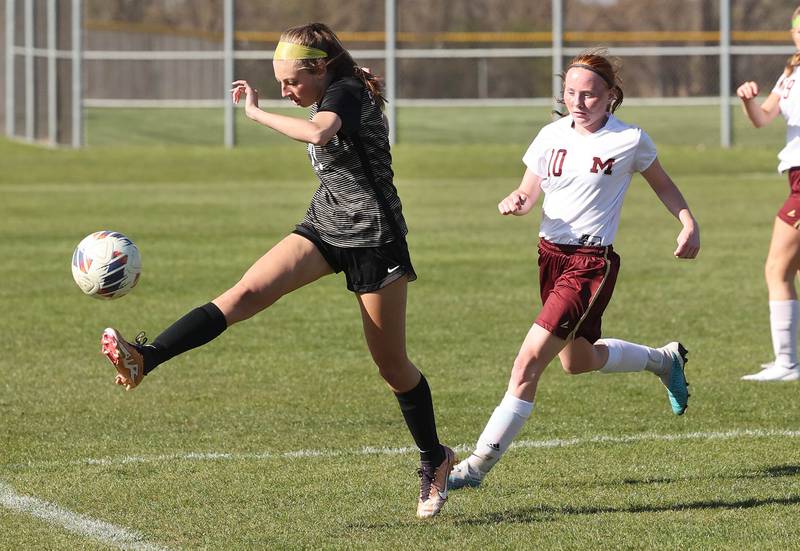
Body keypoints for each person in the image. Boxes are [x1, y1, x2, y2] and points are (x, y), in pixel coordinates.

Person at [100, 22, 455, 518]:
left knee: (391, 366)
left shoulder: (346, 92)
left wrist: (255, 112)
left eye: (292, 82)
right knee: (245, 293)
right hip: (326, 224)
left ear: (321, 67)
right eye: (280, 82)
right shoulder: (339, 86)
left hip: (375, 238)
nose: (286, 91)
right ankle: (145, 358)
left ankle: (434, 457)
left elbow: (319, 131)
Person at [448, 49, 701, 490]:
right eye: (570, 93)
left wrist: (688, 222)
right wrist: (517, 202)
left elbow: (663, 184)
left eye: (589, 95)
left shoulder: (629, 139)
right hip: (550, 257)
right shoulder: (549, 135)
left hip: (589, 264)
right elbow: (529, 192)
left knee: (527, 363)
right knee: (577, 361)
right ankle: (664, 360)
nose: (578, 102)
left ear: (611, 97)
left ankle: (474, 468)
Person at [736, 6, 800, 382]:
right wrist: (747, 100)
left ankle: (788, 364)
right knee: (786, 268)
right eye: (798, 27)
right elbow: (762, 118)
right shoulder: (791, 72)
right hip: (794, 178)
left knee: (776, 268)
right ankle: (787, 361)